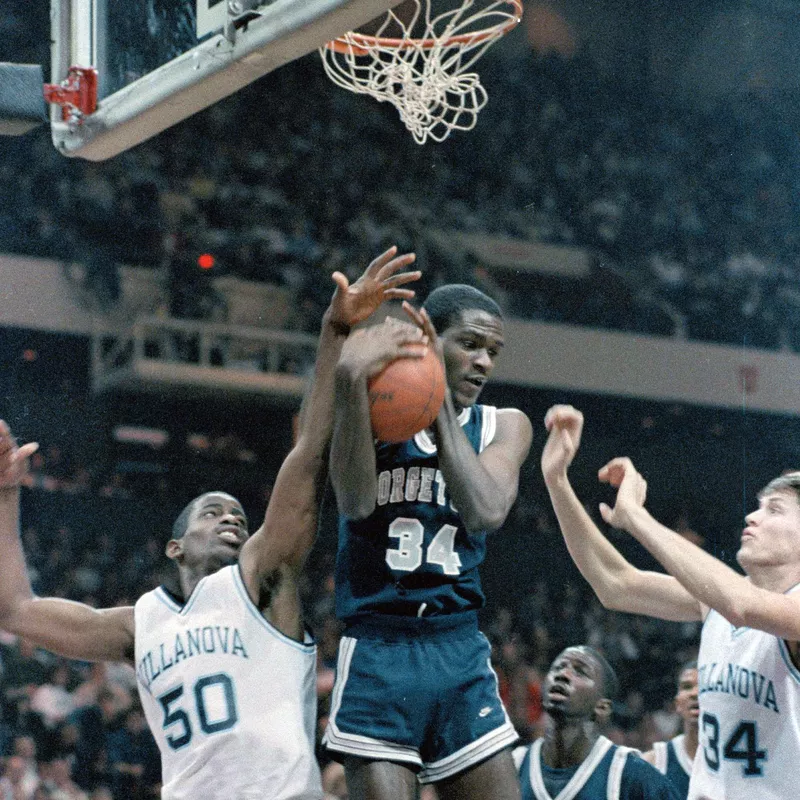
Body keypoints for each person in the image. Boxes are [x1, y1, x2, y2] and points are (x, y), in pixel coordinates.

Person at [0, 246, 423, 800]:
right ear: (175, 547)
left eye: (239, 516)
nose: (231, 518)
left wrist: (334, 329)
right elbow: (15, 609)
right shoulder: (140, 625)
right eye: (213, 512)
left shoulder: (260, 581)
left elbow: (308, 457)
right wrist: (7, 494)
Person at [324, 285, 533, 800]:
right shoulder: (375, 411)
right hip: (379, 648)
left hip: (457, 646)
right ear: (428, 339)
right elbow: (353, 502)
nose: (483, 362)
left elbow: (485, 510)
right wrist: (352, 380)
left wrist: (435, 400)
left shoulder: (505, 426)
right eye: (470, 344)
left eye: (493, 352)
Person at [540, 403, 800, 800]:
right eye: (758, 506)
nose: (752, 517)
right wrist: (557, 480)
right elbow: (615, 583)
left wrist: (635, 518)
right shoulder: (716, 600)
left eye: (775, 510)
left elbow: (740, 605)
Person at [513, 645, 681, 800]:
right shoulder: (514, 765)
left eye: (580, 672)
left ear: (602, 707)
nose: (563, 675)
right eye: (558, 668)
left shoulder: (631, 775)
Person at [641, 662, 698, 798]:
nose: (695, 693)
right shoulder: (653, 763)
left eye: (705, 686)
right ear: (677, 703)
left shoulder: (744, 763)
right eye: (687, 687)